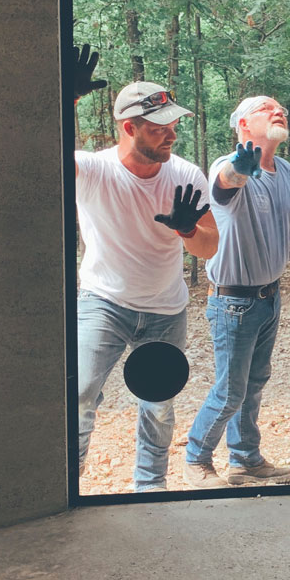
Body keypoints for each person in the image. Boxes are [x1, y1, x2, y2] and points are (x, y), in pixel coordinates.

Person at [73, 44, 219, 492]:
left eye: (173, 126)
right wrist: (65, 103)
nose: (171, 136)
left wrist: (188, 232)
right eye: (159, 129)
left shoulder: (187, 176)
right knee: (77, 396)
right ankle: (65, 483)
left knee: (158, 402)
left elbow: (209, 248)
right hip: (104, 302)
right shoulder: (92, 170)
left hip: (165, 308)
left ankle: (150, 489)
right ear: (128, 127)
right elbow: (43, 152)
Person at [182, 96, 290, 489]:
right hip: (234, 301)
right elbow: (226, 184)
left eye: (281, 108)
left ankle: (244, 460)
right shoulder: (227, 167)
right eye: (266, 108)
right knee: (229, 390)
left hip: (269, 296)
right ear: (243, 125)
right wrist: (239, 170)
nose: (279, 111)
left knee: (255, 383)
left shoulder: (288, 172)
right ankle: (195, 460)